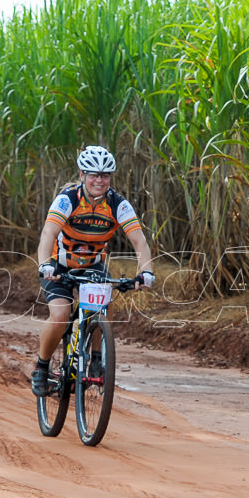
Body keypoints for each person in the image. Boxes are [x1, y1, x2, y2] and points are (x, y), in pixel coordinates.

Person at [32, 145, 155, 396]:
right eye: (93, 175)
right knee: (60, 315)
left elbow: (139, 241)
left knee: (101, 306)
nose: (99, 180)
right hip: (60, 265)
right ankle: (41, 367)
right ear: (82, 175)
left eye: (105, 175)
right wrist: (45, 264)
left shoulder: (117, 204)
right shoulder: (68, 199)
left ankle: (97, 357)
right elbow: (48, 233)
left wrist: (146, 271)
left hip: (93, 265)